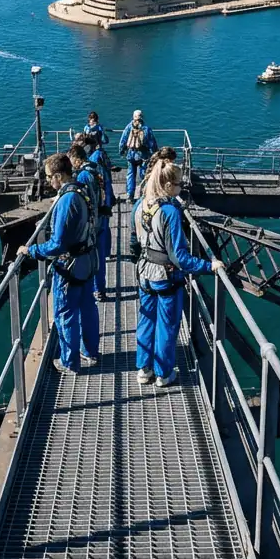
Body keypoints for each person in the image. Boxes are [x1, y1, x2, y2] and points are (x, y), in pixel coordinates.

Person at [132, 161, 221, 388]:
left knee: (146, 321)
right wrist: (208, 266)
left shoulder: (140, 205)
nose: (182, 188)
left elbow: (134, 243)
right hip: (166, 276)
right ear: (169, 185)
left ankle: (144, 370)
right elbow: (179, 257)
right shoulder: (170, 212)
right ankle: (163, 374)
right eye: (180, 184)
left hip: (144, 272)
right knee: (166, 326)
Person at [18, 153, 99, 374]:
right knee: (87, 307)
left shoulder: (66, 201)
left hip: (70, 265)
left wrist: (31, 250)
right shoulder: (81, 190)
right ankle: (90, 351)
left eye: (49, 177)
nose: (47, 181)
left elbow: (57, 244)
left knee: (66, 313)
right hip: (88, 259)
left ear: (59, 175)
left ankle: (69, 362)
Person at [75, 132, 116, 301]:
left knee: (93, 255)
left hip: (93, 220)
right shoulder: (96, 164)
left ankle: (96, 288)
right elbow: (106, 182)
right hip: (102, 211)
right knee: (102, 245)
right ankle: (100, 288)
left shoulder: (84, 174)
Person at [118, 109, 158, 202]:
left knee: (131, 174)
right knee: (143, 175)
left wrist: (122, 151)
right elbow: (152, 143)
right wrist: (155, 153)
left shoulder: (129, 127)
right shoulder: (146, 128)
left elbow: (123, 140)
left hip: (131, 155)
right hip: (143, 155)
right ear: (142, 117)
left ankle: (130, 195)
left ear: (133, 117)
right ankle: (143, 194)